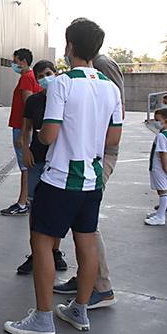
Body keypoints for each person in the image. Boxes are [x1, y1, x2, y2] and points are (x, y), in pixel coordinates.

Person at [4, 18, 122, 334]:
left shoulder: (62, 84)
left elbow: (50, 133)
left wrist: (40, 137)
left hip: (59, 179)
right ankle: (80, 310)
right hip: (92, 180)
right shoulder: (111, 88)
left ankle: (43, 319)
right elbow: (113, 139)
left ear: (69, 46)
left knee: (41, 243)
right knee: (86, 241)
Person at [52, 49, 125, 308]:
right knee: (80, 222)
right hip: (87, 153)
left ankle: (101, 285)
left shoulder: (102, 68)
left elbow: (114, 114)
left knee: (87, 223)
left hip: (95, 155)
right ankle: (86, 276)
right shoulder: (88, 72)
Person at [14, 60, 69, 275]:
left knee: (56, 208)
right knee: (35, 208)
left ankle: (55, 251)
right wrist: (25, 150)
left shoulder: (66, 98)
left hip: (58, 162)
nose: (45, 78)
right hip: (36, 160)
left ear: (56, 73)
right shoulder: (34, 101)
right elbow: (25, 128)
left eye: (48, 73)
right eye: (40, 76)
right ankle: (36, 253)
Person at [1, 48, 42, 216]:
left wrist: (25, 135)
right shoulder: (33, 77)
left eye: (15, 61)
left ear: (23, 62)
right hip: (26, 128)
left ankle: (23, 202)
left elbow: (28, 107)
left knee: (26, 167)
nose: (14, 64)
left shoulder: (26, 78)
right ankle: (29, 200)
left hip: (22, 127)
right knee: (30, 167)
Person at [144, 108, 167, 226]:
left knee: (163, 191)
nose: (155, 122)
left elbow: (163, 152)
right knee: (161, 189)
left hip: (159, 167)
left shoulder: (161, 136)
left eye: (158, 120)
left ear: (166, 121)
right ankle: (160, 212)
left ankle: (161, 216)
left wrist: (165, 167)